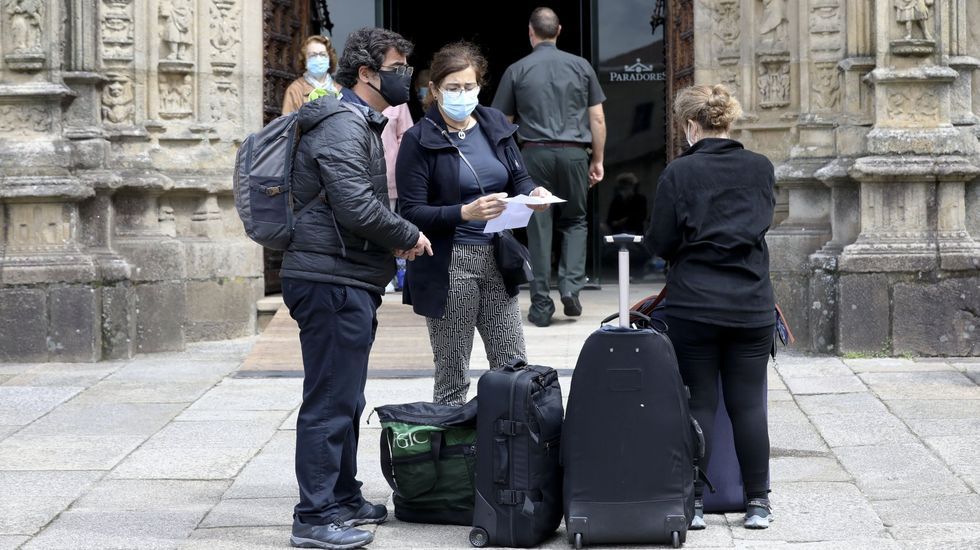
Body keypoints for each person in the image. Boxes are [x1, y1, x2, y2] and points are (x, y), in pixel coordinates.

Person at [280, 27, 433, 550]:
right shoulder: (344, 125)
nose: (405, 76)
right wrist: (409, 235)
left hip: (344, 276)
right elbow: (354, 206)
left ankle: (342, 497)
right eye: (397, 66)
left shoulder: (355, 121)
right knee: (328, 399)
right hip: (329, 279)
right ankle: (315, 516)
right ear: (367, 73)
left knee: (345, 394)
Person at [646, 84, 776, 531]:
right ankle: (758, 503)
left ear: (689, 125)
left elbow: (660, 241)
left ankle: (695, 503)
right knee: (748, 406)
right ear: (728, 121)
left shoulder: (678, 174)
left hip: (694, 305)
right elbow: (760, 224)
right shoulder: (761, 168)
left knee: (698, 400)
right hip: (751, 303)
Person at [396, 41, 552, 405]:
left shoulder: (494, 122)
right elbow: (411, 212)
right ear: (435, 90)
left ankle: (512, 453)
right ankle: (452, 458)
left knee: (514, 365)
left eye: (469, 87)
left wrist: (534, 194)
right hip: (450, 263)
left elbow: (519, 178)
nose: (462, 95)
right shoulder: (418, 140)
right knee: (452, 374)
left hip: (498, 256)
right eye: (452, 88)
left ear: (480, 85)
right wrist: (463, 212)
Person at [492, 7, 607, 327]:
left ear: (531, 32)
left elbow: (502, 123)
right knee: (576, 221)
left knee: (538, 227)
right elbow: (596, 118)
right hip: (574, 154)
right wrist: (597, 159)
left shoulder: (517, 70)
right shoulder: (582, 66)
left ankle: (541, 305)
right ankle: (571, 287)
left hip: (534, 154)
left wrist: (508, 166)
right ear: (559, 31)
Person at [381, 102, 414, 291]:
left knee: (386, 225)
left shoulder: (398, 103)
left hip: (388, 174)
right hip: (357, 174)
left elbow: (406, 137)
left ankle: (387, 275)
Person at [281, 35, 341, 115]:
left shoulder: (339, 89)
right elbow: (287, 123)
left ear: (329, 58)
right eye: (313, 55)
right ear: (305, 61)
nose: (318, 59)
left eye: (322, 55)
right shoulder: (295, 90)